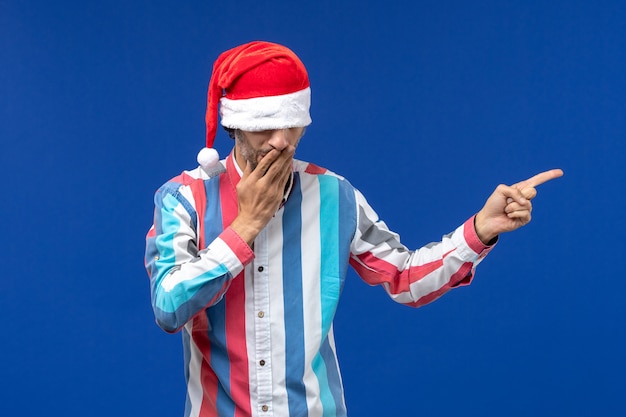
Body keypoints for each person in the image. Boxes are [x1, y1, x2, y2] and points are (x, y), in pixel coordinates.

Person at [144, 41, 563, 417]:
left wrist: (481, 228)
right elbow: (168, 307)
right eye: (263, 126)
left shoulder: (334, 196)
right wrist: (246, 226)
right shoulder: (183, 199)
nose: (279, 141)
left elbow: (404, 278)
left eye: (290, 123)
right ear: (234, 125)